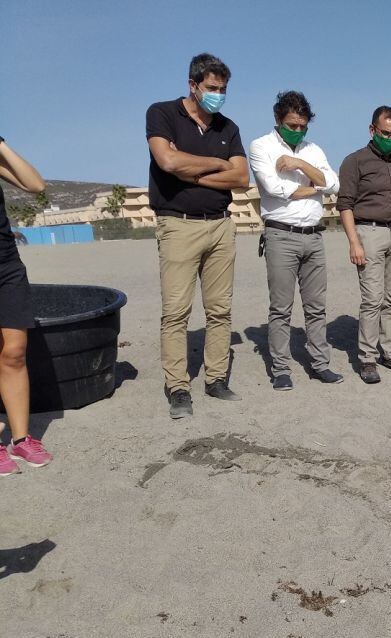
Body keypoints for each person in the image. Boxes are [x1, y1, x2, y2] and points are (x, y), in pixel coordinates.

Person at [146, 53, 250, 419]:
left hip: (221, 225)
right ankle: (178, 387)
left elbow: (242, 178)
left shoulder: (228, 128)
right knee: (176, 311)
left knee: (220, 309)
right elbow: (167, 161)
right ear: (193, 85)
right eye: (212, 88)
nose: (218, 95)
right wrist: (219, 164)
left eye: (223, 89)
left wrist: (192, 171)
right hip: (178, 225)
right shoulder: (162, 113)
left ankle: (216, 379)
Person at [249, 91, 342, 391]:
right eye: (292, 125)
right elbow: (274, 188)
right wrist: (316, 187)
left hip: (314, 236)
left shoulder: (313, 149)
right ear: (278, 119)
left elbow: (334, 184)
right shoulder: (260, 146)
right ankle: (281, 369)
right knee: (281, 307)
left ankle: (320, 364)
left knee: (316, 307)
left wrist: (300, 164)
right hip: (281, 235)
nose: (298, 131)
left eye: (303, 126)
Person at [337, 106, 391, 384]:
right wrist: (353, 242)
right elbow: (345, 204)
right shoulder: (354, 161)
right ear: (372, 130)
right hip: (368, 233)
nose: (390, 139)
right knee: (372, 299)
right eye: (385, 133)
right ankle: (367, 358)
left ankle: (390, 352)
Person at [0, 136, 52, 476]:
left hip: (6, 263)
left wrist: (1, 144)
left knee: (14, 351)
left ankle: (20, 439)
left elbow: (35, 185)